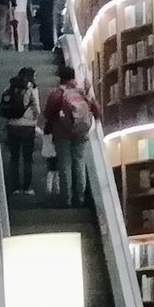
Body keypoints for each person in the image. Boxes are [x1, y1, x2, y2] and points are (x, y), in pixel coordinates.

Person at [40, 60, 97, 205]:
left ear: (60, 77)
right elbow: (96, 110)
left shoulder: (57, 94)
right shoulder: (82, 92)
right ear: (73, 77)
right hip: (81, 132)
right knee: (79, 162)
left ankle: (67, 198)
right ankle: (81, 197)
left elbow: (48, 114)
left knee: (65, 164)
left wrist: (51, 128)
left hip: (62, 133)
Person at [0, 67, 42, 194]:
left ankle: (15, 187)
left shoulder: (9, 88)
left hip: (12, 126)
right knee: (27, 158)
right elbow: (37, 109)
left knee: (14, 157)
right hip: (28, 127)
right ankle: (27, 187)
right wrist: (34, 120)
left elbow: (2, 108)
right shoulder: (32, 89)